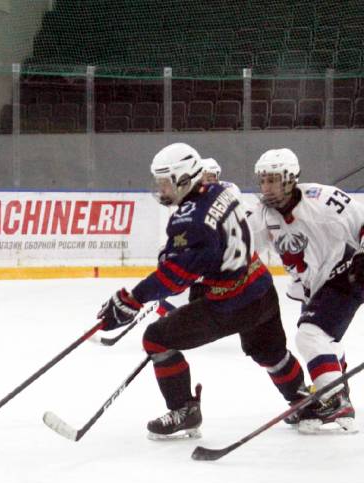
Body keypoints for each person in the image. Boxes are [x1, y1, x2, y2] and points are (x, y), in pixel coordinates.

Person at [97, 143, 307, 440]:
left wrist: (131, 300)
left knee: (156, 339)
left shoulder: (189, 220)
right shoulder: (222, 191)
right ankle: (305, 400)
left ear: (184, 178)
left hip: (231, 304)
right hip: (261, 288)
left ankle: (184, 410)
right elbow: (212, 251)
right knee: (269, 352)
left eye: (165, 181)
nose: (161, 189)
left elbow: (175, 278)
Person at [247, 148, 363, 433]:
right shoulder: (264, 214)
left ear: (290, 179)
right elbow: (241, 246)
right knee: (326, 341)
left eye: (273, 180)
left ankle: (334, 400)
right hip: (312, 286)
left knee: (310, 335)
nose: (266, 187)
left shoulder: (324, 200)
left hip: (347, 275)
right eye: (263, 181)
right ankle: (337, 393)